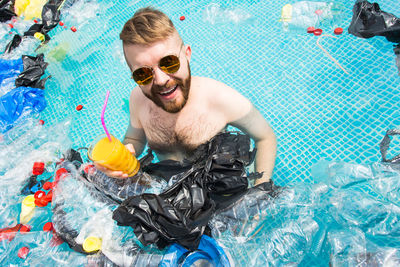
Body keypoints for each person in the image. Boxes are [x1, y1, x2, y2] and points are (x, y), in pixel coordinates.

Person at [96, 7, 277, 186]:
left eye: (169, 62)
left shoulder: (221, 99)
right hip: (168, 188)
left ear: (187, 54)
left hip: (220, 183)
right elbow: (135, 139)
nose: (160, 80)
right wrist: (125, 154)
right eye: (143, 74)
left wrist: (259, 190)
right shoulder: (138, 99)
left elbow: (265, 137)